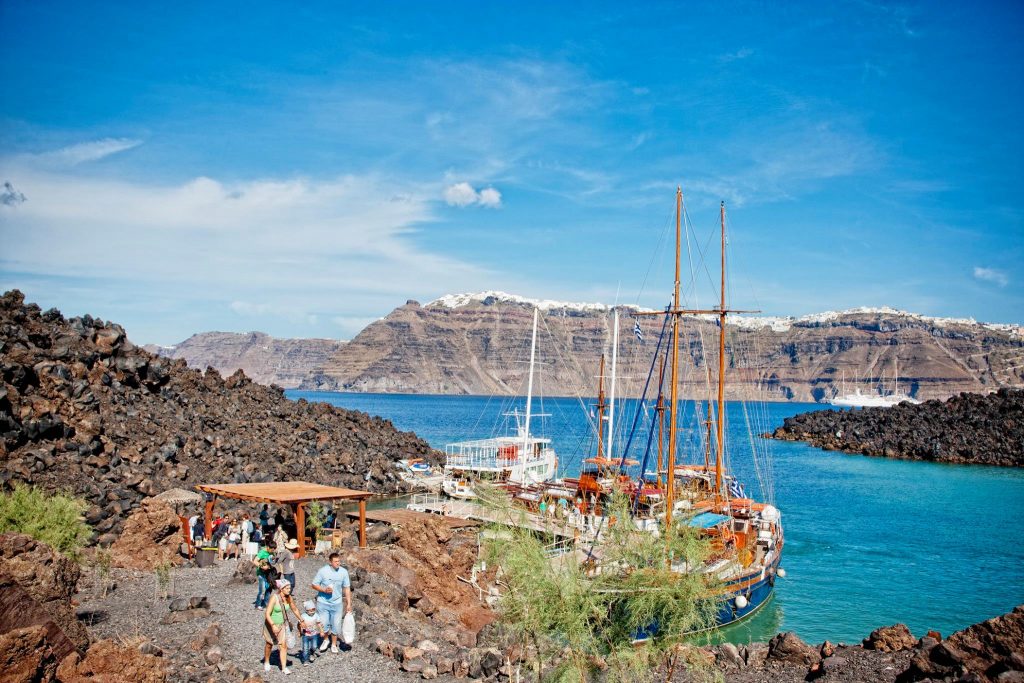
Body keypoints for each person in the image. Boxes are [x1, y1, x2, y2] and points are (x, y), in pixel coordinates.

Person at [311, 552, 351, 654]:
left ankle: (333, 644)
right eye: (336, 561)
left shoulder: (343, 572)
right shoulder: (323, 571)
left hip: (337, 603)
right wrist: (324, 590)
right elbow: (314, 584)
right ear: (330, 562)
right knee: (324, 624)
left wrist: (349, 603)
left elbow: (346, 588)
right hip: (323, 602)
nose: (338, 563)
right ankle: (325, 639)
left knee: (336, 625)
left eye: (339, 561)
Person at [263, 579, 302, 675]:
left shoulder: (289, 598)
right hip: (271, 624)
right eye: (287, 588)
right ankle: (267, 661)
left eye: (290, 588)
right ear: (281, 589)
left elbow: (295, 609)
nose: (289, 590)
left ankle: (284, 667)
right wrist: (272, 625)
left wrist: (301, 620)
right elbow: (267, 613)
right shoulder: (274, 597)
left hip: (282, 625)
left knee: (283, 646)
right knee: (269, 644)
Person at [298, 600, 327, 666]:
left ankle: (312, 653)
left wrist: (322, 631)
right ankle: (305, 660)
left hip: (314, 634)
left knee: (314, 646)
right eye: (310, 611)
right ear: (306, 610)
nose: (312, 612)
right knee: (305, 648)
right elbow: (299, 624)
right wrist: (299, 631)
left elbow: (319, 623)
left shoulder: (316, 615)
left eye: (313, 610)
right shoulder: (303, 616)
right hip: (306, 634)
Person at [252, 542, 274, 609]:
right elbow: (255, 561)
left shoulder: (271, 552)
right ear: (268, 547)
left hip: (268, 573)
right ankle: (258, 604)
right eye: (272, 550)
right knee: (262, 590)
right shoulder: (262, 552)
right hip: (261, 573)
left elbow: (271, 559)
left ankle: (266, 603)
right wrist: (262, 566)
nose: (272, 551)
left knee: (269, 588)